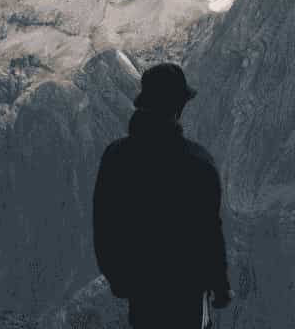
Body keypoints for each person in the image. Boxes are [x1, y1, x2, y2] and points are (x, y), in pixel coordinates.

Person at [94, 62, 232, 328]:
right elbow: (209, 232)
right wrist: (220, 285)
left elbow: (104, 224)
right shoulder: (198, 162)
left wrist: (119, 279)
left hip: (141, 292)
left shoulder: (116, 157)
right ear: (178, 107)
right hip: (188, 293)